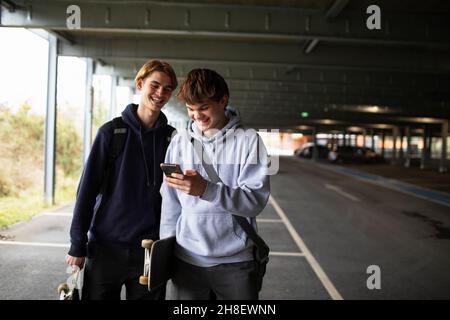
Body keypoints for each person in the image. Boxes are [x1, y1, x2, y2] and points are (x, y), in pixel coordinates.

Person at [66, 59, 178, 300]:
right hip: (105, 249)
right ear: (140, 84)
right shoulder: (111, 132)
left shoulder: (172, 140)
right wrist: (77, 244)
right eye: (155, 85)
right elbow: (85, 192)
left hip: (150, 251)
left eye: (167, 89)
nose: (160, 93)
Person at [160, 68, 270, 300]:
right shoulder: (179, 142)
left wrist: (206, 190)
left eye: (203, 108)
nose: (196, 116)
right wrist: (166, 251)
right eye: (190, 109)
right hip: (186, 259)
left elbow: (255, 202)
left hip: (236, 262)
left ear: (223, 100)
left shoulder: (250, 141)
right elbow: (170, 204)